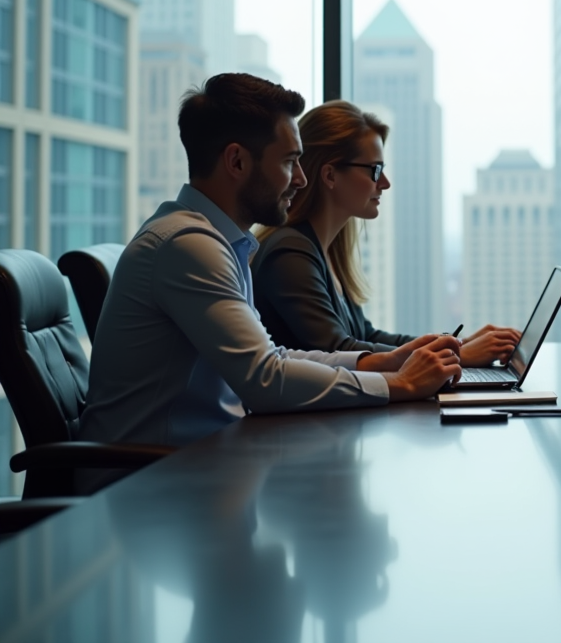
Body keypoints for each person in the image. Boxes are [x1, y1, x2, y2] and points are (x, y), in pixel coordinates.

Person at [81, 74, 462, 451]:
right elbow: (265, 379)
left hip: (202, 462)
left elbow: (272, 357)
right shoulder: (189, 246)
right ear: (237, 161)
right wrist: (401, 384)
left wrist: (378, 363)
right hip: (152, 483)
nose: (300, 179)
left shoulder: (221, 242)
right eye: (290, 162)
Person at [250, 100, 520, 365]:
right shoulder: (290, 253)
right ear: (330, 175)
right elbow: (339, 351)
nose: (385, 183)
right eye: (375, 170)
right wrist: (457, 355)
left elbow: (366, 336)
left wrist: (457, 343)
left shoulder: (323, 250)